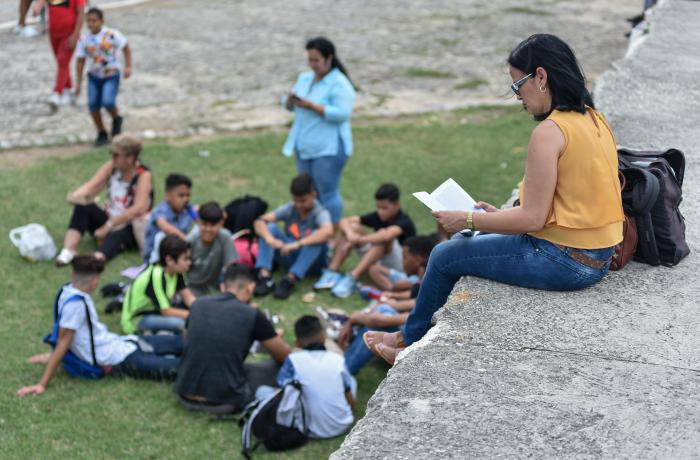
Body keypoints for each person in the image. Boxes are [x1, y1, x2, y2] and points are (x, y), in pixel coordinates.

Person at [365, 34, 624, 364]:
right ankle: (406, 333)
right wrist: (493, 217)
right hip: (597, 254)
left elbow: (533, 220)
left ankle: (408, 343)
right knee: (467, 238)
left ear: (541, 77)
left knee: (445, 254)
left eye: (518, 86)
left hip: (567, 261)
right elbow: (564, 201)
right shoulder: (592, 117)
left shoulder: (550, 132)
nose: (518, 97)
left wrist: (468, 217)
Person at [16, 255, 183, 397]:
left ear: (73, 275)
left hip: (123, 343)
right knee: (178, 368)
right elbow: (63, 342)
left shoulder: (66, 290)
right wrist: (42, 384)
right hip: (117, 360)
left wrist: (50, 356)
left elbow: (67, 338)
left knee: (178, 342)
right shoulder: (75, 306)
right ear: (95, 282)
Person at [174, 264, 291, 414]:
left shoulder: (198, 304)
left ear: (223, 286)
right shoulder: (252, 314)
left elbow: (188, 341)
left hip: (185, 394)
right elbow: (284, 357)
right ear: (251, 287)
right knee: (276, 367)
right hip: (224, 401)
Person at [282, 37, 356, 226]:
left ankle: (330, 233)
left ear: (328, 58)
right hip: (305, 145)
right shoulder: (305, 78)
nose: (312, 64)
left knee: (327, 192)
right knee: (308, 192)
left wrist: (312, 106)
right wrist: (291, 100)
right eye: (310, 60)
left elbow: (343, 113)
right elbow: (290, 105)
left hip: (329, 148)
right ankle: (314, 229)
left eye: (316, 60)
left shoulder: (339, 83)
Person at [340, 236, 435, 375]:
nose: (403, 261)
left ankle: (344, 372)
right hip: (402, 337)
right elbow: (398, 301)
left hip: (411, 347)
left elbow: (381, 320)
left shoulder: (430, 300)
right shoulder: (425, 292)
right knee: (381, 309)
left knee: (380, 317)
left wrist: (354, 318)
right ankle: (344, 363)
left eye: (405, 257)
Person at [55, 134, 153, 266]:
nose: (113, 158)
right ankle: (68, 250)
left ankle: (95, 259)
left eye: (116, 155)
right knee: (83, 206)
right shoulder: (112, 167)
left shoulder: (143, 175)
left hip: (129, 225)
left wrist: (109, 226)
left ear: (130, 158)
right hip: (109, 218)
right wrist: (75, 196)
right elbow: (92, 185)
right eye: (111, 153)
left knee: (117, 236)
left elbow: (139, 208)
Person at [256, 316, 355, 439]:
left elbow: (282, 393)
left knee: (262, 391)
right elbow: (349, 396)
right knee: (351, 381)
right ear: (324, 339)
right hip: (342, 425)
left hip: (305, 428)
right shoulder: (338, 360)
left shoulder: (293, 360)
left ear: (297, 342)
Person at [315, 183, 416, 298]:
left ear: (397, 205)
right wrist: (350, 234)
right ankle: (332, 272)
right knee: (353, 227)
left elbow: (386, 236)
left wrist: (358, 239)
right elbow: (344, 221)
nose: (380, 212)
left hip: (400, 264)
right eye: (378, 207)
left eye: (384, 208)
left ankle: (353, 278)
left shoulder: (404, 221)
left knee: (382, 237)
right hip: (378, 257)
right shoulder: (378, 216)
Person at [254, 174, 334, 299]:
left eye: (303, 201)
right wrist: (270, 239)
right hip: (290, 255)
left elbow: (328, 231)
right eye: (295, 200)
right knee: (269, 228)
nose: (298, 205)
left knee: (317, 237)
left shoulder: (320, 212)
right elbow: (259, 221)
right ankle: (265, 277)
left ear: (313, 195)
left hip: (313, 262)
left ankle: (290, 280)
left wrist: (298, 243)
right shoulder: (290, 208)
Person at [74, 7, 132, 146]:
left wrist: (128, 66)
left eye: (94, 21)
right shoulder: (84, 39)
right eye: (89, 21)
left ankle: (116, 118)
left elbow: (125, 47)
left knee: (108, 102)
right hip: (94, 76)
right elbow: (80, 60)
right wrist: (78, 82)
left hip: (111, 74)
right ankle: (101, 132)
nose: (91, 24)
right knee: (93, 106)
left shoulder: (111, 34)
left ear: (101, 21)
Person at [120, 235, 195, 334]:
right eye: (185, 259)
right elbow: (166, 311)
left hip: (156, 311)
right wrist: (193, 315)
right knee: (182, 323)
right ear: (169, 260)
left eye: (189, 258)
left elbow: (187, 297)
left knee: (189, 313)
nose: (189, 263)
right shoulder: (156, 275)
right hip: (138, 318)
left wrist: (201, 309)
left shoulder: (176, 271)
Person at [33, 0, 85, 108]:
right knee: (62, 63)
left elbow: (81, 14)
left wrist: (75, 35)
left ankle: (57, 92)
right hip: (54, 33)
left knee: (62, 61)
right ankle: (69, 89)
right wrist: (38, 7)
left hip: (69, 33)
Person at [186, 201, 238, 297]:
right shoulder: (191, 240)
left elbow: (230, 267)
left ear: (221, 223)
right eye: (204, 224)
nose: (208, 229)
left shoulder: (225, 236)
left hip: (214, 286)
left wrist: (227, 285)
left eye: (213, 225)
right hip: (191, 286)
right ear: (198, 221)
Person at [143, 173, 196, 264]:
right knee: (162, 236)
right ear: (168, 195)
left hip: (179, 251)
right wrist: (188, 242)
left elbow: (199, 218)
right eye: (181, 195)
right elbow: (166, 227)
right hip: (157, 257)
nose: (185, 199)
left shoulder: (188, 208)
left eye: (188, 195)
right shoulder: (160, 211)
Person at [366, 234, 436, 292]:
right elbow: (374, 269)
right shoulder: (411, 276)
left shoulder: (421, 279)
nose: (402, 260)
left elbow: (400, 285)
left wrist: (392, 291)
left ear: (417, 259)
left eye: (405, 257)